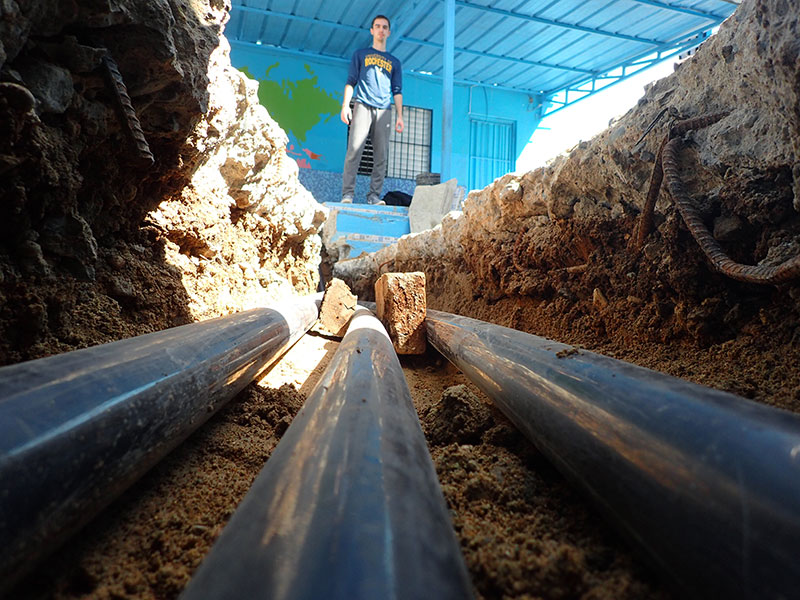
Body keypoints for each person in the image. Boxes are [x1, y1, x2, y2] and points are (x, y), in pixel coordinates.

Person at [340, 14, 404, 205]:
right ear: (372, 30)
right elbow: (351, 81)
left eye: (385, 27)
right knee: (353, 151)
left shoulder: (395, 62)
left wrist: (400, 116)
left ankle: (374, 196)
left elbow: (397, 91)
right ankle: (347, 195)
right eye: (377, 26)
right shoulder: (360, 55)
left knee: (381, 156)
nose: (381, 30)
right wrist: (345, 105)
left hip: (384, 109)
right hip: (362, 105)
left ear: (389, 32)